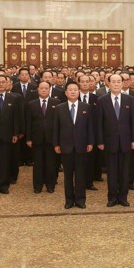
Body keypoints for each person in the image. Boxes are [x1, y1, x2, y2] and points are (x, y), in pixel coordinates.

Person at [96, 74, 134, 207]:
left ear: (122, 84)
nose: (116, 84)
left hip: (126, 141)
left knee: (124, 172)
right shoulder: (102, 100)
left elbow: (133, 121)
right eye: (113, 82)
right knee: (112, 172)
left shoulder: (129, 99)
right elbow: (99, 123)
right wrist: (100, 141)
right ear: (108, 84)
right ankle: (112, 197)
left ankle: (123, 197)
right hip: (109, 142)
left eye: (119, 82)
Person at [53, 81, 94, 209]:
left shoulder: (86, 107)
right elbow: (56, 128)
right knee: (68, 175)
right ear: (66, 92)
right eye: (70, 90)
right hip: (66, 146)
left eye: (75, 89)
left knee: (81, 175)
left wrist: (90, 142)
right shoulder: (60, 108)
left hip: (82, 146)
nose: (73, 91)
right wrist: (56, 144)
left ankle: (81, 200)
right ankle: (69, 200)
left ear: (79, 91)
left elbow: (90, 127)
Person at [26, 81, 61, 194]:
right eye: (42, 88)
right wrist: (29, 138)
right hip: (37, 139)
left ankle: (50, 185)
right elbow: (28, 123)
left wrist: (58, 140)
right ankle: (37, 185)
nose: (44, 90)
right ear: (38, 89)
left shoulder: (57, 103)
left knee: (51, 164)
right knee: (38, 164)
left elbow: (59, 123)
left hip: (52, 139)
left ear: (49, 89)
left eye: (46, 88)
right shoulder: (32, 104)